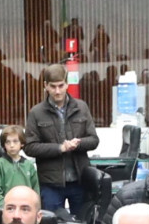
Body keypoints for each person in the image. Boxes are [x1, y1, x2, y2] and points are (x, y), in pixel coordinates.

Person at [23, 64, 99, 215]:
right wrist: (60, 148)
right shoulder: (36, 112)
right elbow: (29, 147)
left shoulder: (81, 107)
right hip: (50, 183)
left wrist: (78, 144)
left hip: (80, 179)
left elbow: (94, 140)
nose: (57, 91)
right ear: (45, 86)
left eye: (61, 85)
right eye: (53, 86)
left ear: (67, 84)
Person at [0, 124, 38, 207]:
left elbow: (35, 190)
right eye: (8, 142)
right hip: (8, 209)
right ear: (4, 145)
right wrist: (5, 207)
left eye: (15, 141)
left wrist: (34, 207)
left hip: (26, 208)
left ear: (22, 143)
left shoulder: (29, 165)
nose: (11, 145)